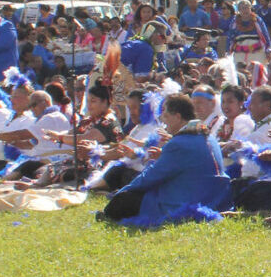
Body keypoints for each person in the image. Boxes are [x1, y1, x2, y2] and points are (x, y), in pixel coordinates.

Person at [99, 94, 232, 225]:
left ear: (178, 117)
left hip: (186, 202)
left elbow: (151, 177)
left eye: (166, 116)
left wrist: (123, 191)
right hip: (213, 198)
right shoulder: (208, 136)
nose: (162, 119)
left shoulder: (179, 142)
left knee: (122, 201)